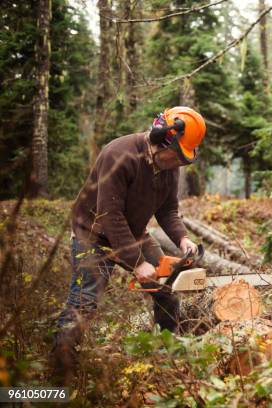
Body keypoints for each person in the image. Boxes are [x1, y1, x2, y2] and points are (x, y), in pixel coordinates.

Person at [50, 106, 206, 384]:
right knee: (84, 302)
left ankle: (167, 354)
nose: (179, 164)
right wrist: (138, 263)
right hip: (93, 235)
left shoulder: (169, 166)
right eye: (177, 156)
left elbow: (168, 209)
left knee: (166, 290)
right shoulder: (119, 154)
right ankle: (60, 374)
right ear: (163, 139)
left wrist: (183, 239)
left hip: (132, 233)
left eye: (184, 159)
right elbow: (110, 214)